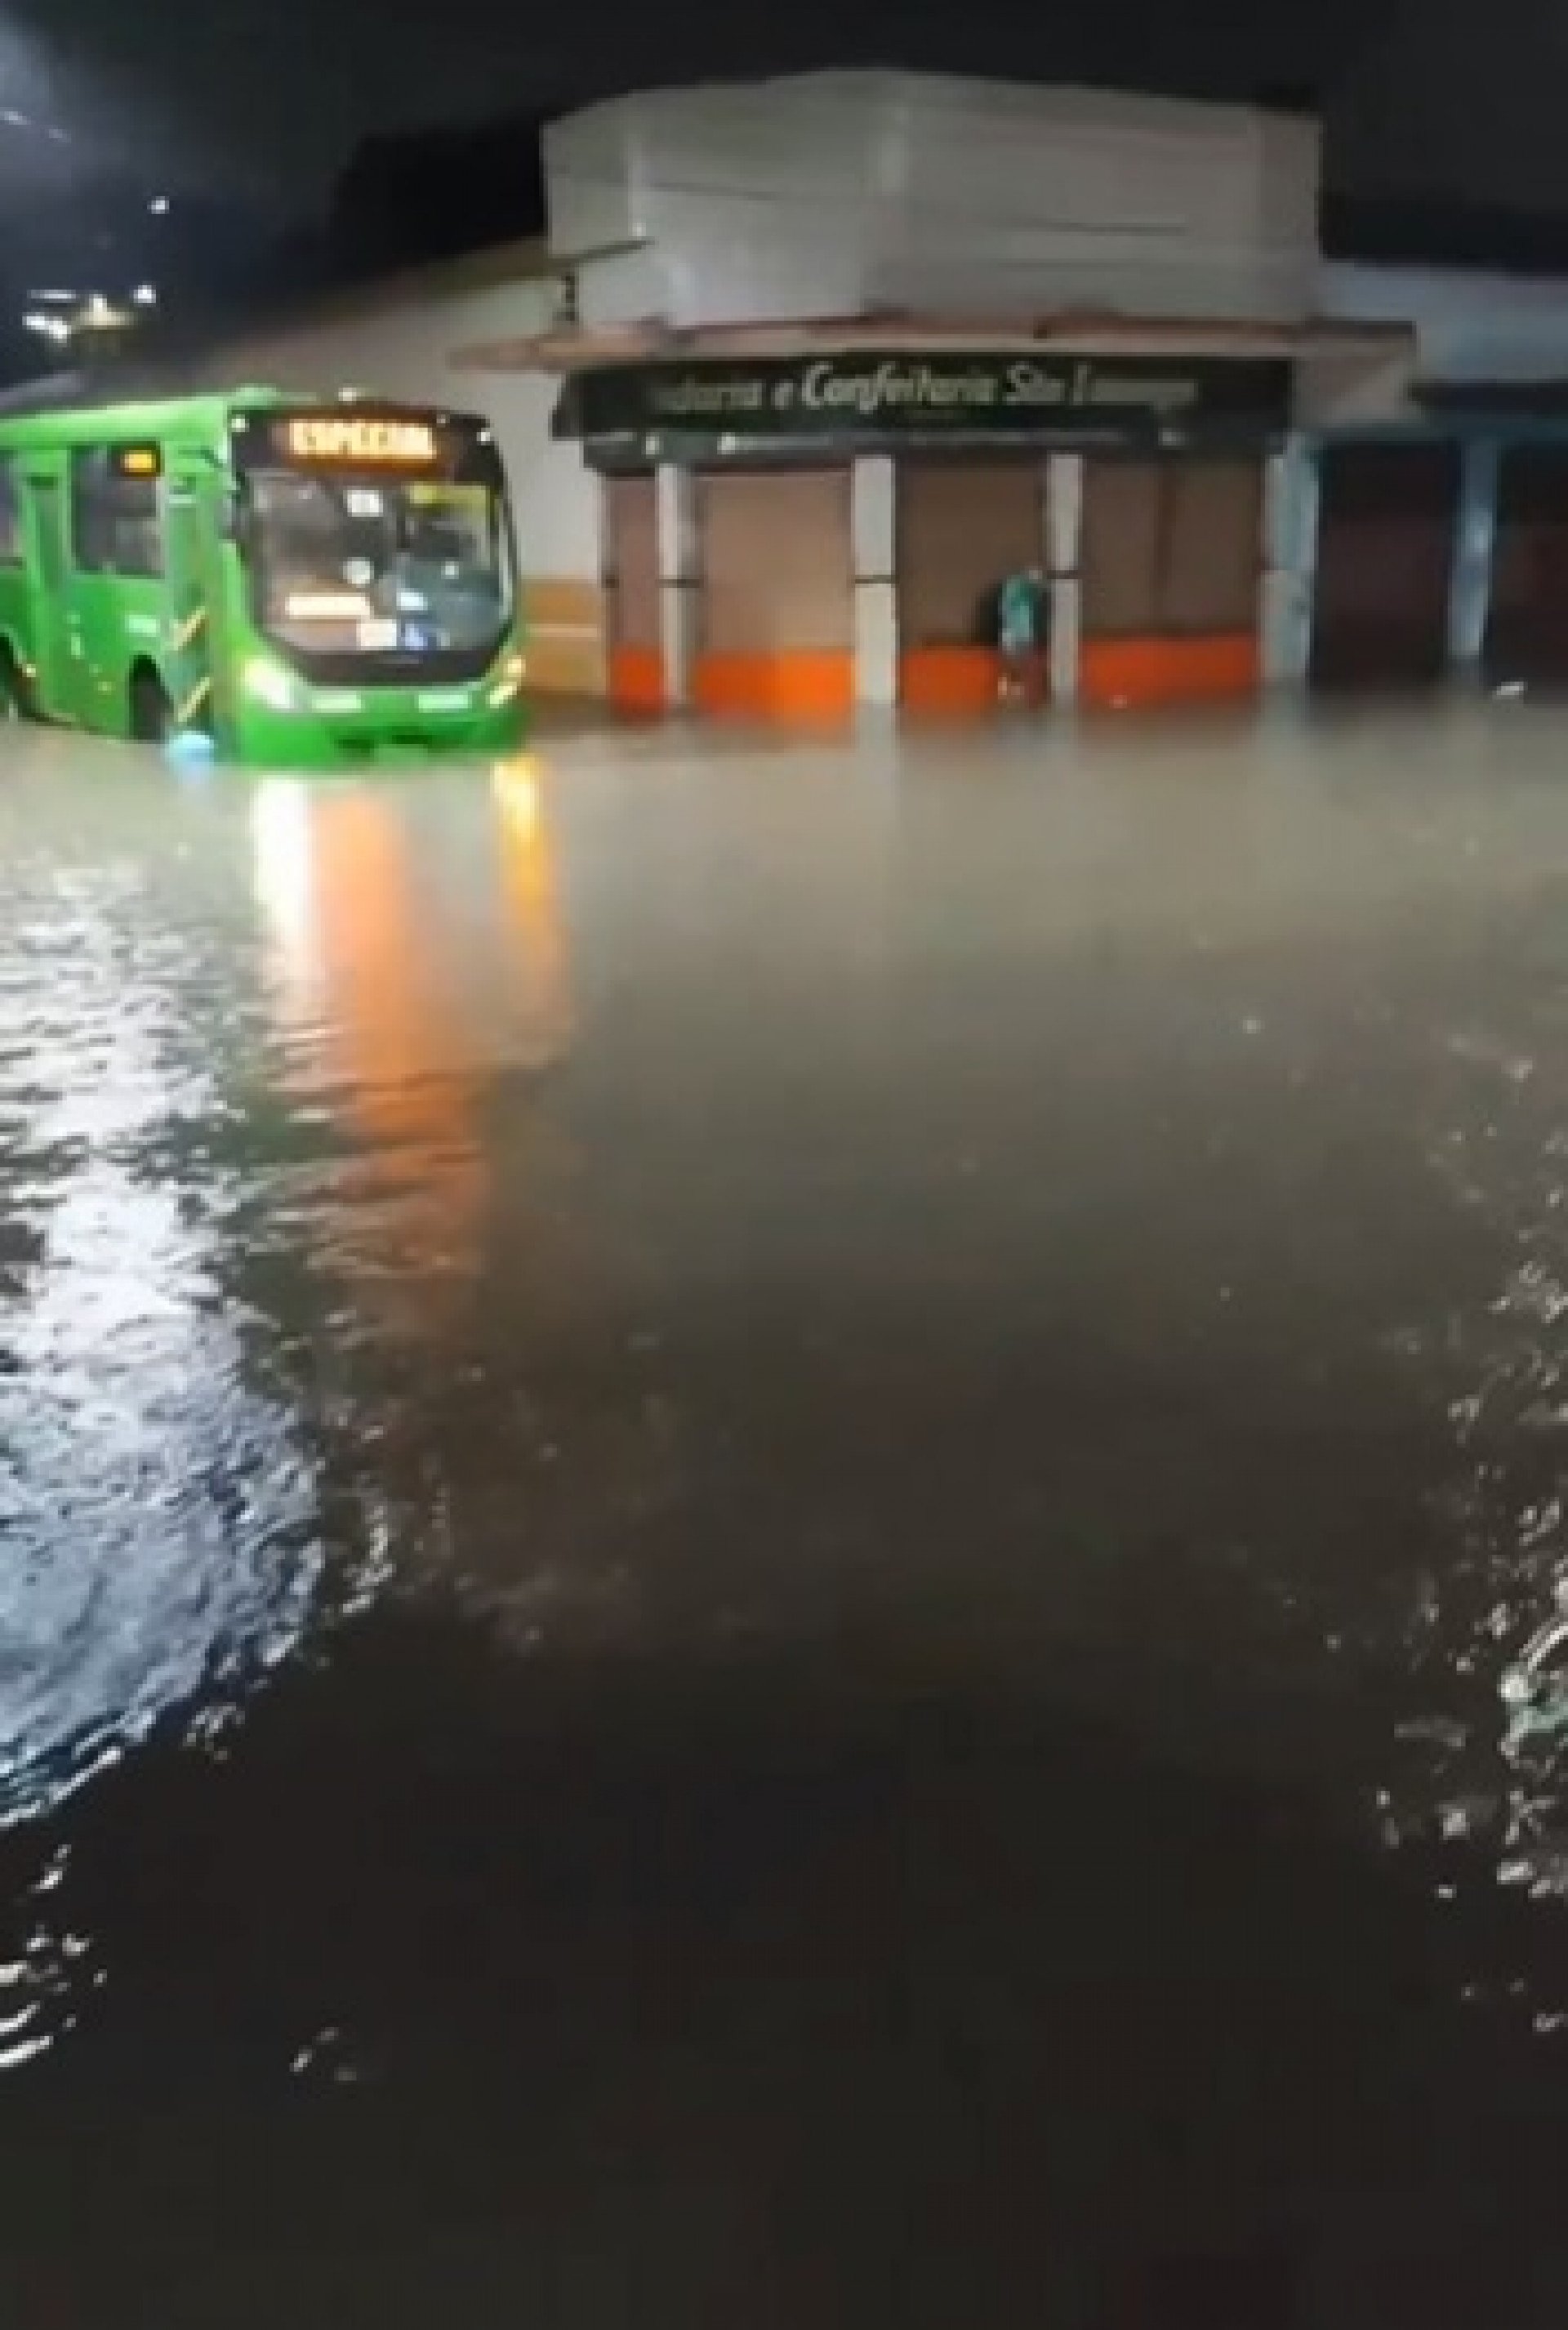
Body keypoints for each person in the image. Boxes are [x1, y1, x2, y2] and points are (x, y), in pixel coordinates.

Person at [996, 565, 1049, 706]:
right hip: (1013, 632)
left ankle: (1022, 687)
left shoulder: (1032, 595)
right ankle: (1009, 684)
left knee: (1027, 660)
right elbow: (1004, 609)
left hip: (1025, 633)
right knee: (1011, 659)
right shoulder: (1014, 588)